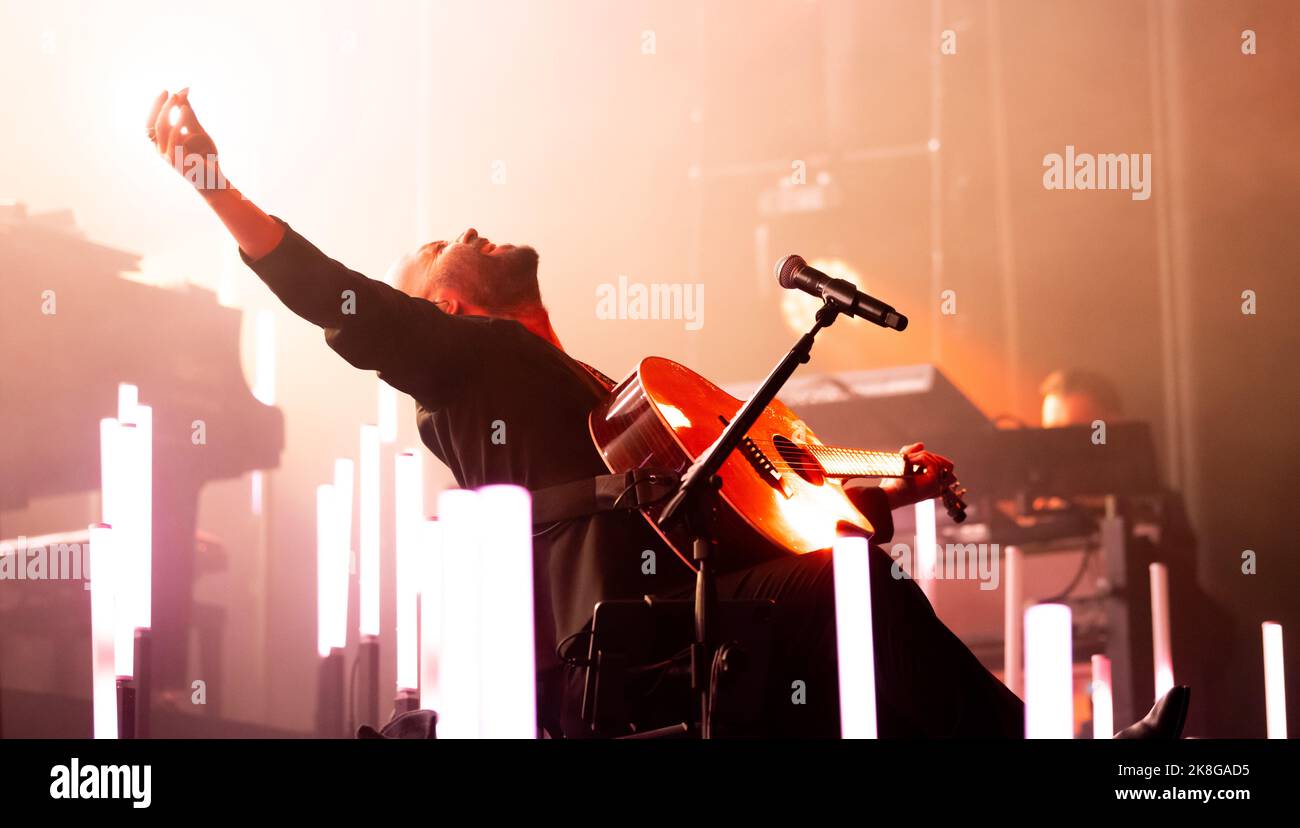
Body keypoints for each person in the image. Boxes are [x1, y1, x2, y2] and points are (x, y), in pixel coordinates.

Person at [147, 87, 1026, 737]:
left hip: (686, 609)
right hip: (608, 644)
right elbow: (337, 297)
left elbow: (747, 512)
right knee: (852, 589)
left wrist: (878, 492)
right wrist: (212, 183)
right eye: (441, 248)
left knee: (854, 583)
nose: (469, 228)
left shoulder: (606, 397)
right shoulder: (462, 364)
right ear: (444, 307)